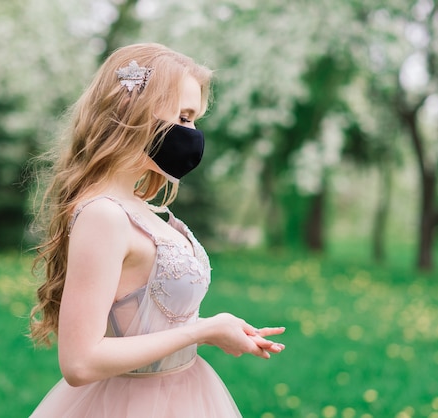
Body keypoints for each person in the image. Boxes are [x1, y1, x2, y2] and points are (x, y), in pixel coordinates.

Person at [28, 43, 286, 418]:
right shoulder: (104, 215)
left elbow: (149, 316)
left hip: (186, 391)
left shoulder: (144, 209)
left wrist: (219, 329)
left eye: (194, 119)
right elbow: (79, 363)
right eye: (182, 117)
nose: (192, 134)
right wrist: (203, 331)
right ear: (133, 111)